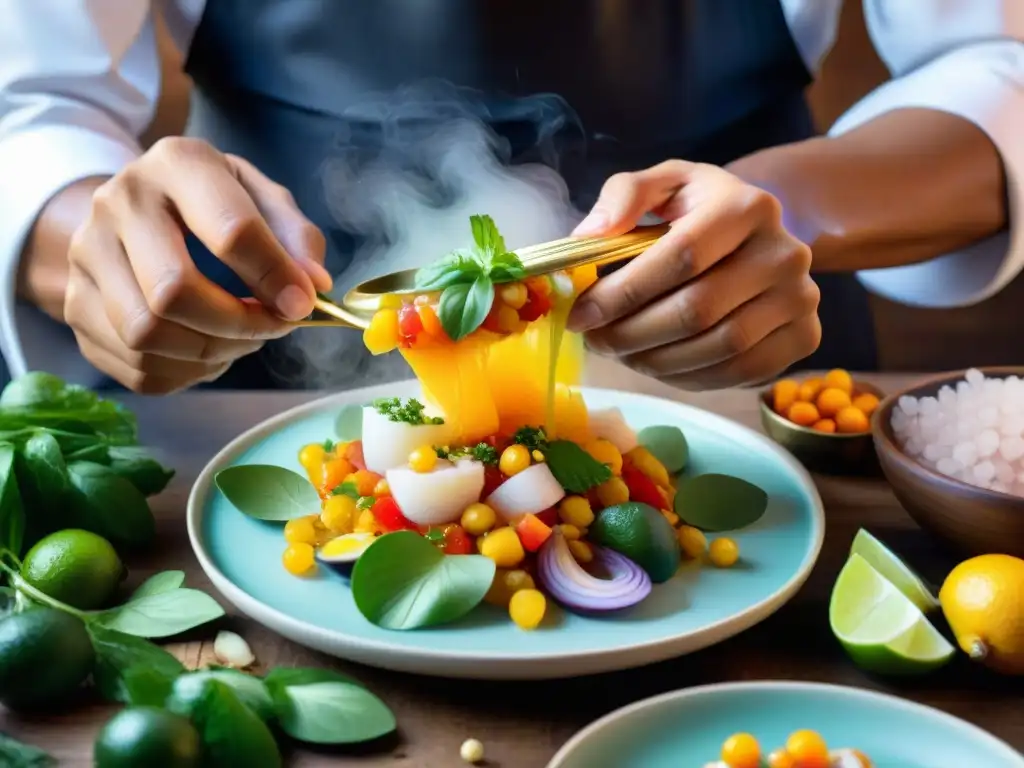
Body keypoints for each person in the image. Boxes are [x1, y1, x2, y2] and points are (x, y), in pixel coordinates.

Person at [0, 1, 1020, 393]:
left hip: (747, 372)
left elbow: (991, 60)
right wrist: (91, 235)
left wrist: (782, 211)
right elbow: (30, 104)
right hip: (244, 396)